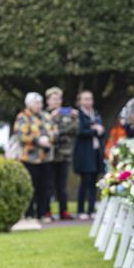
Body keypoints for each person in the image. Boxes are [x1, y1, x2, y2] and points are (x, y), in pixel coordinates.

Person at [14, 92, 57, 223]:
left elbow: (55, 131)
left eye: (40, 103)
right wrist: (38, 140)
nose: (40, 105)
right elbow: (21, 135)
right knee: (30, 187)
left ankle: (43, 213)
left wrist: (48, 139)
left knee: (45, 187)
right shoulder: (22, 117)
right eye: (36, 103)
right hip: (29, 159)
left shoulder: (46, 116)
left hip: (45, 158)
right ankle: (29, 214)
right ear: (29, 104)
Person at [45, 87, 79, 220]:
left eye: (59, 99)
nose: (57, 101)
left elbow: (74, 129)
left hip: (65, 154)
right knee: (48, 185)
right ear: (48, 101)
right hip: (50, 155)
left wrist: (74, 119)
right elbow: (46, 131)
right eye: (54, 99)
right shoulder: (44, 115)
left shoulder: (68, 115)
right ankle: (47, 211)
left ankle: (63, 211)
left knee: (62, 186)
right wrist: (53, 120)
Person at [73, 90, 106, 220]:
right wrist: (94, 129)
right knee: (84, 182)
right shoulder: (78, 114)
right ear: (80, 100)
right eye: (85, 99)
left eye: (90, 99)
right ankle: (81, 210)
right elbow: (80, 131)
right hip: (84, 153)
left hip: (95, 152)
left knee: (94, 182)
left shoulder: (95, 114)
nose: (88, 101)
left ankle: (91, 209)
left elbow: (101, 132)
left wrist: (100, 130)